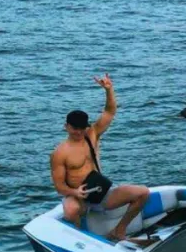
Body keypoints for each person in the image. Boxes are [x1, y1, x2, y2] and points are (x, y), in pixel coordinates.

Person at [49, 74, 150, 242]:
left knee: (142, 193)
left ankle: (119, 231)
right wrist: (74, 192)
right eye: (75, 128)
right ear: (66, 127)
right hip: (77, 195)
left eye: (82, 128)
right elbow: (59, 187)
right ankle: (81, 239)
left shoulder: (92, 134)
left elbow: (109, 112)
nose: (79, 132)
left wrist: (109, 90)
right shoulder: (60, 153)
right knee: (70, 210)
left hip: (101, 191)